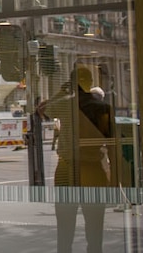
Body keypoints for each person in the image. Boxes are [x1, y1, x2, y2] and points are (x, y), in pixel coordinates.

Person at [48, 65, 116, 253]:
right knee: (95, 225)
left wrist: (62, 91)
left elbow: (43, 110)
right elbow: (111, 144)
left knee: (64, 225)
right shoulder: (102, 107)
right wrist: (115, 178)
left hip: (65, 167)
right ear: (90, 84)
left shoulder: (64, 104)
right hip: (92, 168)